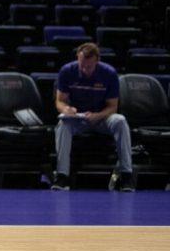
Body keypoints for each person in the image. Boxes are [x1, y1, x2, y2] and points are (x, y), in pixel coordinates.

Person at [51, 42, 133, 192]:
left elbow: (112, 106)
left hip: (102, 117)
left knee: (121, 121)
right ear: (78, 58)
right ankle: (62, 176)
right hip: (78, 118)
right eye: (82, 65)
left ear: (97, 61)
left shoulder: (109, 73)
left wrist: (98, 115)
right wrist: (67, 109)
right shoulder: (67, 71)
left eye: (89, 66)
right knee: (63, 124)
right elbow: (60, 101)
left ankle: (126, 175)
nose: (84, 69)